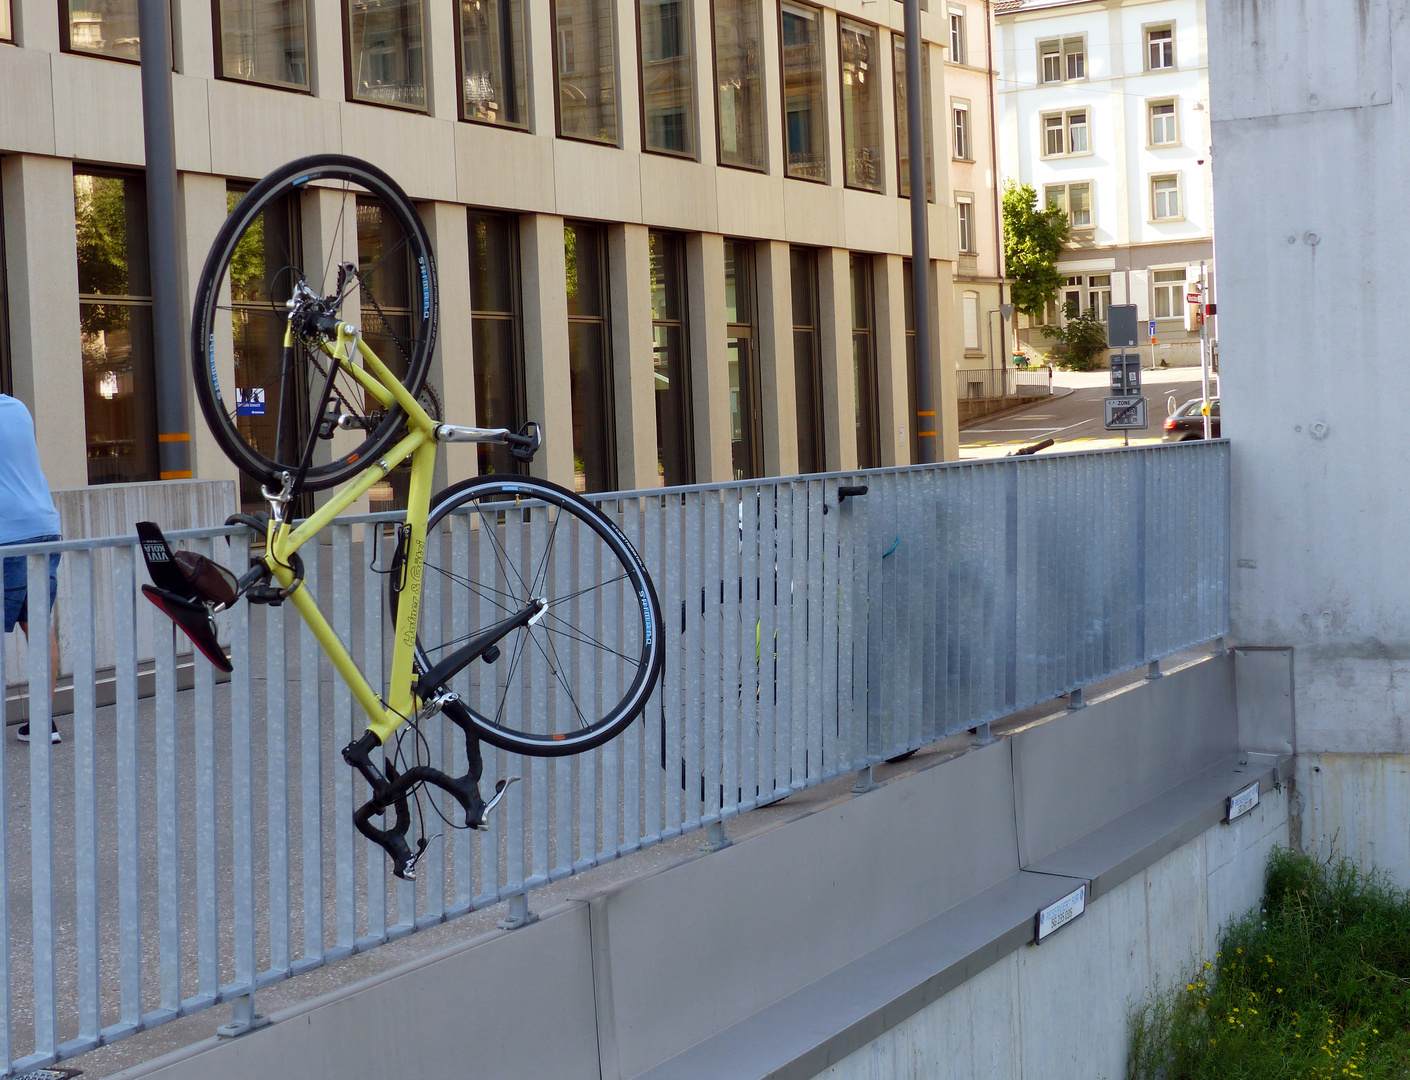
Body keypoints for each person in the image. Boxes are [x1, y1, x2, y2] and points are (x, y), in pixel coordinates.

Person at [0, 394, 63, 744]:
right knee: (37, 625)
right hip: (43, 527)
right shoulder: (17, 407)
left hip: (6, 533)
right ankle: (43, 721)